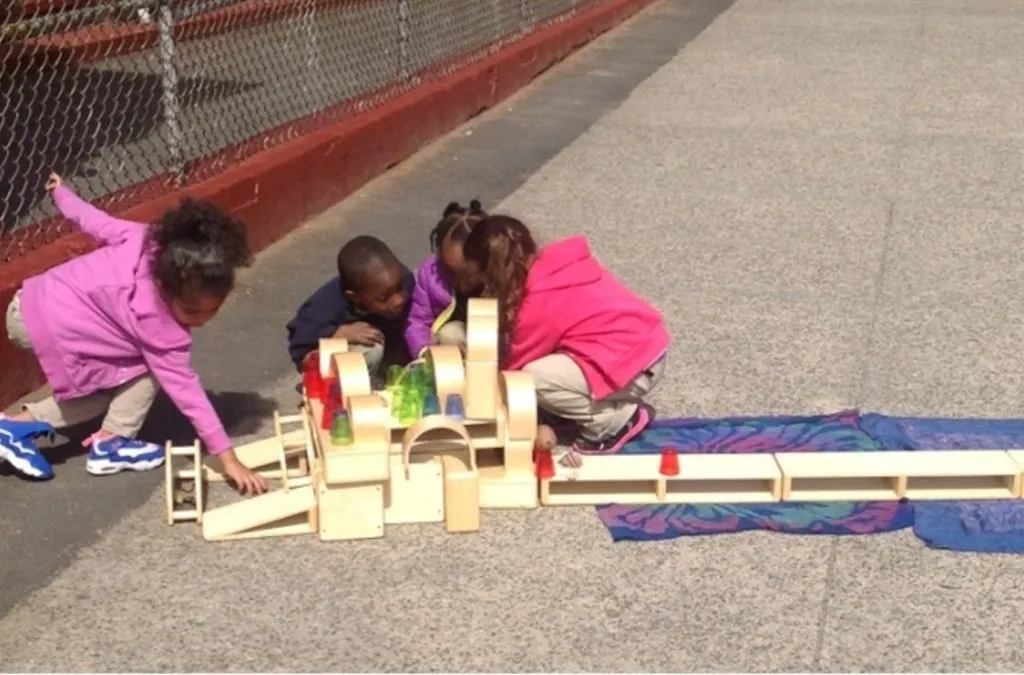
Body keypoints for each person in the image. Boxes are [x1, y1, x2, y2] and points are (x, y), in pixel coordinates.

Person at [0, 173, 267, 494]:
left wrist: (62, 195)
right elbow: (189, 394)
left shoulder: (146, 239)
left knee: (124, 371)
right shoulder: (159, 326)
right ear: (167, 290)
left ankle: (97, 437)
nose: (203, 320)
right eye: (192, 312)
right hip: (50, 325)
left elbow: (95, 221)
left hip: (30, 301)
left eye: (214, 309)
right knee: (112, 384)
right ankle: (45, 432)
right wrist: (228, 458)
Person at [459, 216, 670, 453]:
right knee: (545, 372)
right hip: (647, 347)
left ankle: (614, 421)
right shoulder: (559, 267)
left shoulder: (539, 300)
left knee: (531, 379)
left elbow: (515, 367)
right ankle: (590, 406)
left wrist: (479, 389)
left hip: (635, 367)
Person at [287, 235, 414, 381]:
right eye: (383, 297)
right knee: (371, 348)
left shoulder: (405, 279)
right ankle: (355, 391)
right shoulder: (322, 308)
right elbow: (302, 357)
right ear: (354, 297)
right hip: (341, 367)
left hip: (390, 351)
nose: (398, 300)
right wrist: (339, 334)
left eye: (399, 288)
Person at [404, 199, 487, 359]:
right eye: (449, 270)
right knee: (451, 334)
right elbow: (418, 322)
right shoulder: (431, 273)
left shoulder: (502, 276)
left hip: (493, 345)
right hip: (452, 352)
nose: (461, 281)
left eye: (467, 273)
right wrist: (424, 353)